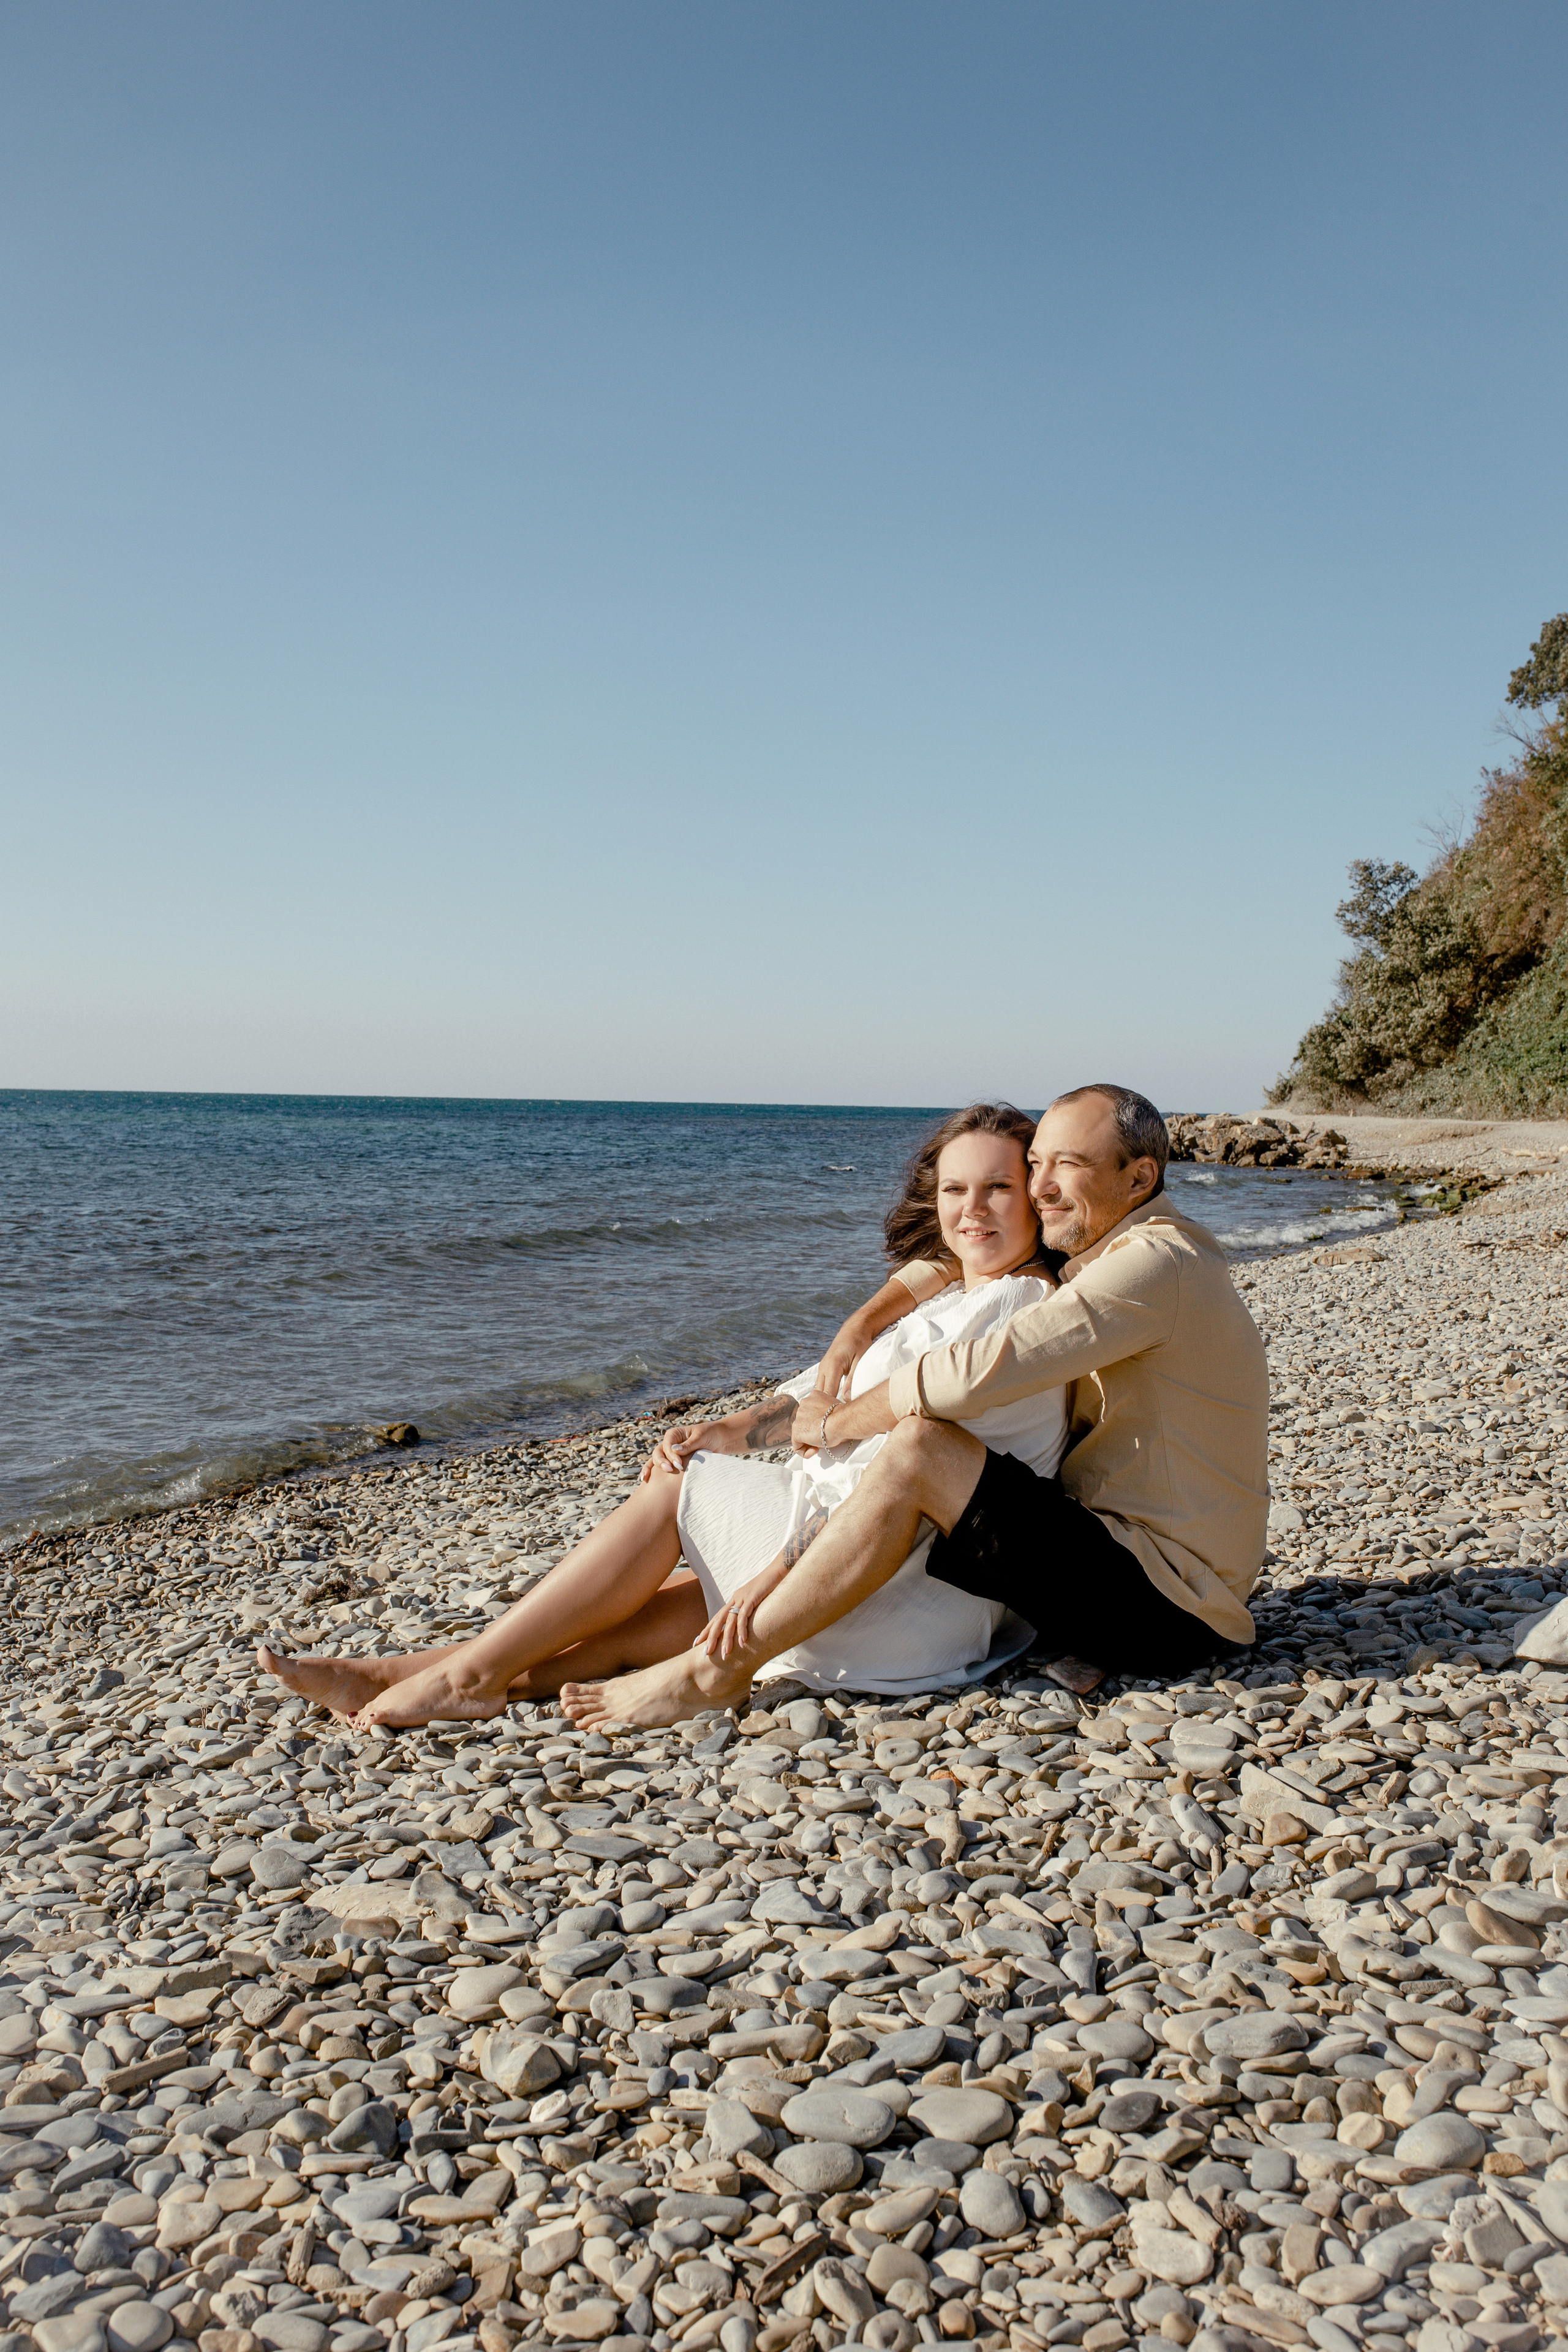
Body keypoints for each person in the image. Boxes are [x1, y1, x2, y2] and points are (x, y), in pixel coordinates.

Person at [256, 1103, 1071, 1726]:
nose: (972, 1209)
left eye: (998, 1188)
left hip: (895, 1595)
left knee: (680, 1493)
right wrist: (724, 1431)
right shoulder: (964, 1293)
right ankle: (414, 1674)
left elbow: (883, 1473)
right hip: (888, 1591)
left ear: (1037, 1198)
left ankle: (467, 1676)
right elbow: (821, 1402)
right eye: (955, 1189)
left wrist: (771, 1566)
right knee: (654, 1607)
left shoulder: (1013, 1313)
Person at [561, 1084, 1270, 1731]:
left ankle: (712, 1673)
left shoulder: (1154, 1264)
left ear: (1138, 1178)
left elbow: (971, 1373)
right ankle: (521, 1667)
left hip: (1172, 1606)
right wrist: (859, 1326)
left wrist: (832, 1423)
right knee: (692, 1586)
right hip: (1113, 1559)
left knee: (920, 1445)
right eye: (1036, 1166)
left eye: (1068, 1166)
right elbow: (959, 1254)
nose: (1041, 1188)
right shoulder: (1100, 1250)